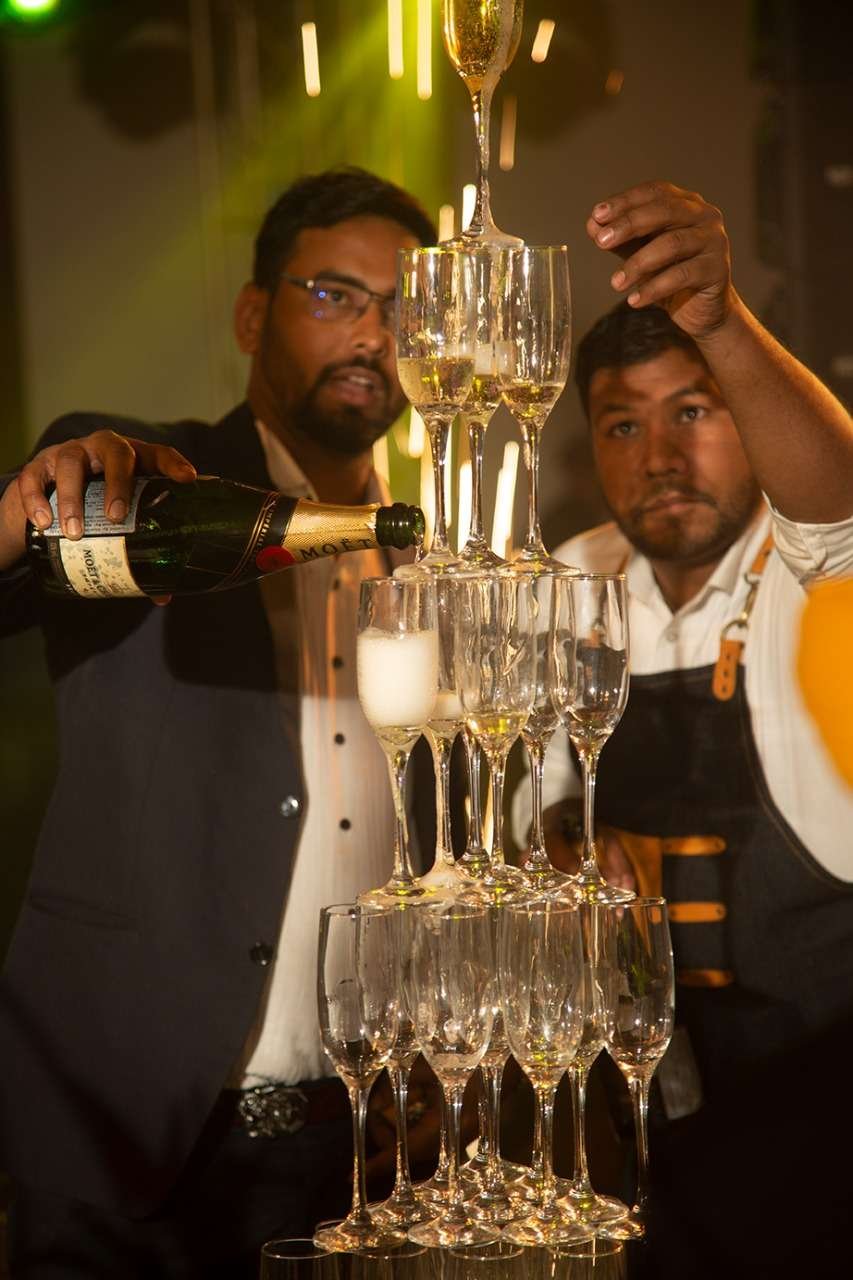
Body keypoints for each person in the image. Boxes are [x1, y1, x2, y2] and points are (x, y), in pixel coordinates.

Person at [0, 166, 442, 1277]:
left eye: (401, 310)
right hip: (124, 1131)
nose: (372, 334)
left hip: (361, 1147)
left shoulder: (434, 556)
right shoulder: (151, 487)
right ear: (253, 316)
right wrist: (31, 501)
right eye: (334, 295)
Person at [512, 180, 853, 1276]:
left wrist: (721, 320)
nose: (659, 455)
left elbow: (841, 513)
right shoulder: (568, 584)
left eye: (692, 412)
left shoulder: (807, 569)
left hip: (829, 1112)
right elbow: (519, 809)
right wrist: (558, 836)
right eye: (624, 423)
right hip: (648, 1123)